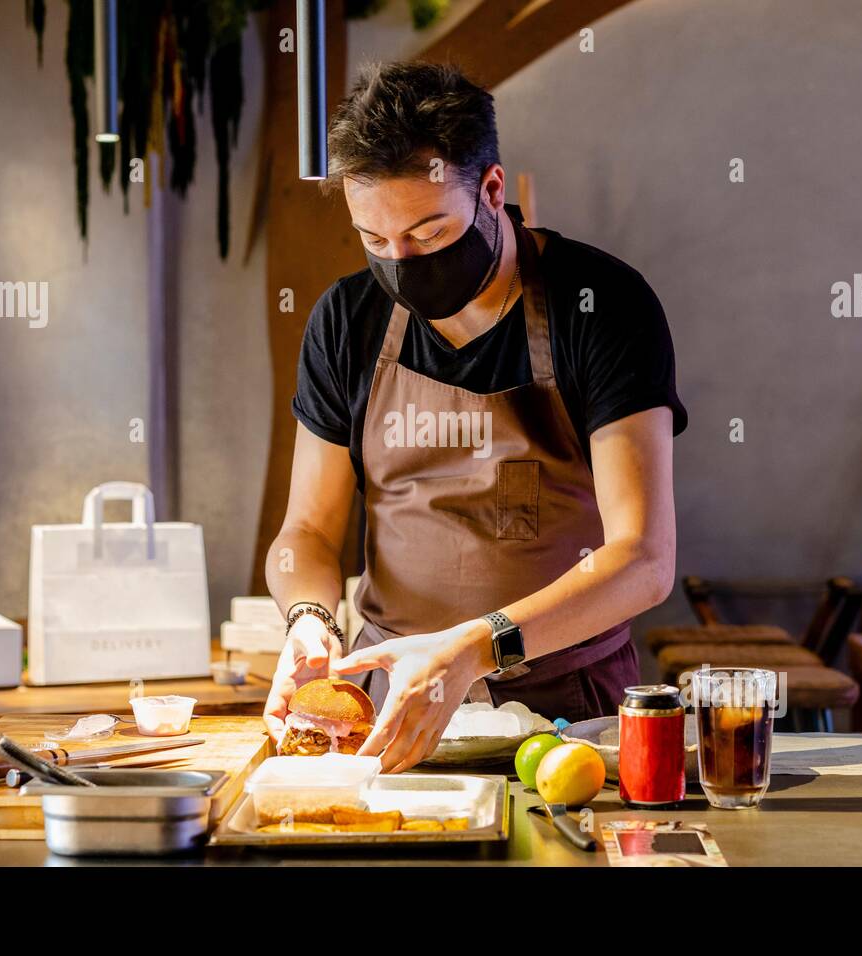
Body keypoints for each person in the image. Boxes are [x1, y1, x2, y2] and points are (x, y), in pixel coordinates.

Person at [264, 61, 687, 772]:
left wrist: (473, 648)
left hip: (567, 713)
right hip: (385, 706)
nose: (400, 261)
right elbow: (306, 531)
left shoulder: (601, 305)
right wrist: (308, 620)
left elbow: (643, 559)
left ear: (491, 189)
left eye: (428, 233)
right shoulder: (347, 321)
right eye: (373, 240)